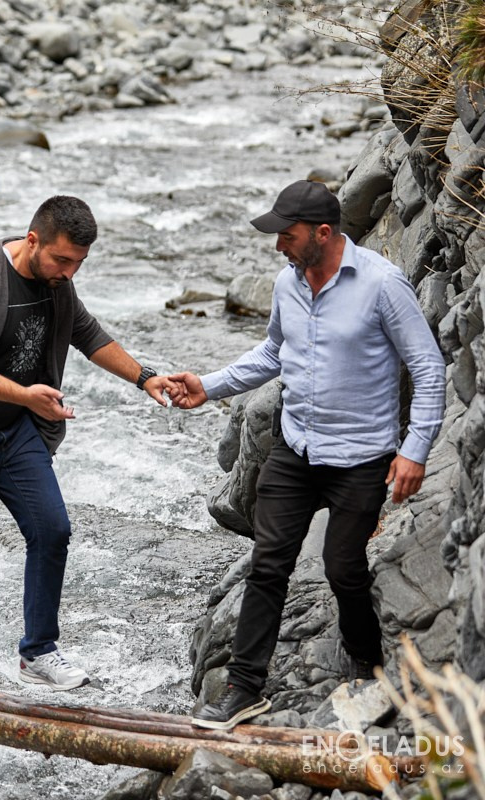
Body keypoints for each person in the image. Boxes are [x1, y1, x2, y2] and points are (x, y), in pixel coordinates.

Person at [167, 180, 446, 731]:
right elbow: (274, 352)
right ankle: (245, 689)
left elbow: (430, 368)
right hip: (296, 450)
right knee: (268, 565)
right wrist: (210, 384)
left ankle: (370, 671)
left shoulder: (382, 285)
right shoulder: (286, 283)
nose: (279, 248)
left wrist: (414, 450)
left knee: (343, 567)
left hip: (362, 457)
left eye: (287, 236)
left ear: (323, 233)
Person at [0, 195, 175, 712]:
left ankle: (38, 652)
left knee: (52, 530)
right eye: (62, 260)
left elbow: (86, 333)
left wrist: (144, 377)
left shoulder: (58, 284)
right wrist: (26, 394)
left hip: (14, 435)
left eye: (78, 264)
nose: (69, 272)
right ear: (33, 241)